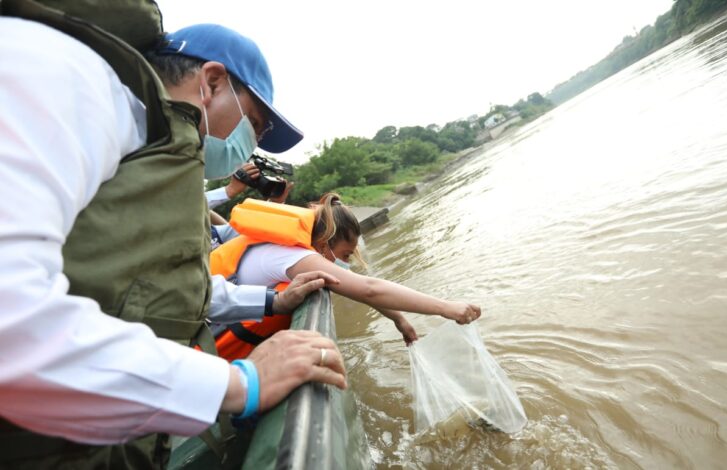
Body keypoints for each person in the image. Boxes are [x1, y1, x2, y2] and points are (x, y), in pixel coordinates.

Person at [0, 3, 344, 467]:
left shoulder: (148, 141)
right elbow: (13, 319)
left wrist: (271, 303)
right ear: (213, 82)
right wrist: (241, 384)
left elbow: (156, 286)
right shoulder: (66, 75)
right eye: (254, 126)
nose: (251, 144)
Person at [210, 193, 482, 361]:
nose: (345, 263)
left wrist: (398, 318)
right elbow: (368, 288)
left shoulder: (295, 249)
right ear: (325, 241)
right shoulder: (287, 256)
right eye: (346, 254)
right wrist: (446, 308)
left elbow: (358, 287)